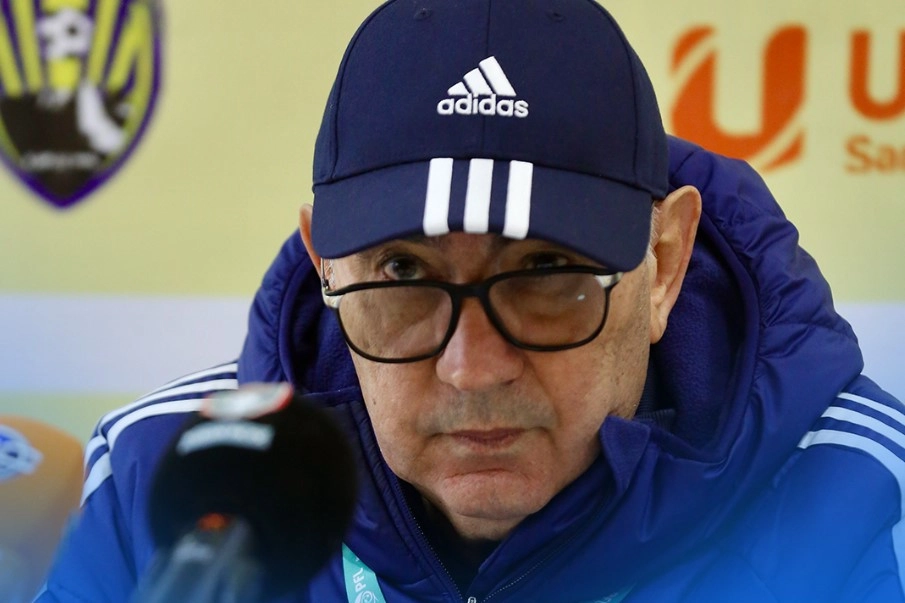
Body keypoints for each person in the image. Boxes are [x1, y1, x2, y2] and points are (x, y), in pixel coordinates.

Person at [37, 0, 905, 601]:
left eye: (545, 271)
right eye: (403, 273)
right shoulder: (157, 483)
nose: (471, 367)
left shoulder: (867, 503)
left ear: (664, 264)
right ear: (324, 263)